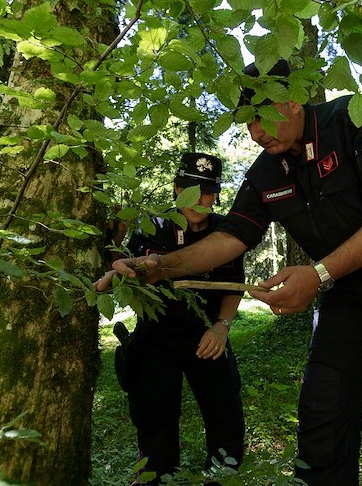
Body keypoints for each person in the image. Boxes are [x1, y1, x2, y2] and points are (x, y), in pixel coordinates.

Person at [96, 61, 362, 485]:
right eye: (246, 123)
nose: (255, 133)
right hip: (349, 291)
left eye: (261, 117)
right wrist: (159, 267)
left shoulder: (356, 118)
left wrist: (317, 275)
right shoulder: (265, 172)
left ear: (292, 99)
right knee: (323, 408)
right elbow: (232, 237)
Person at [106, 153, 245, 485]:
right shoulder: (150, 226)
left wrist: (221, 327)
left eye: (208, 192)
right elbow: (120, 266)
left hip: (207, 337)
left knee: (226, 415)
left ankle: (222, 477)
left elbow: (234, 285)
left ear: (217, 194)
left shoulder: (226, 232)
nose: (199, 200)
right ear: (176, 188)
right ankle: (155, 477)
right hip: (156, 338)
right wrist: (116, 247)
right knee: (155, 420)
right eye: (191, 190)